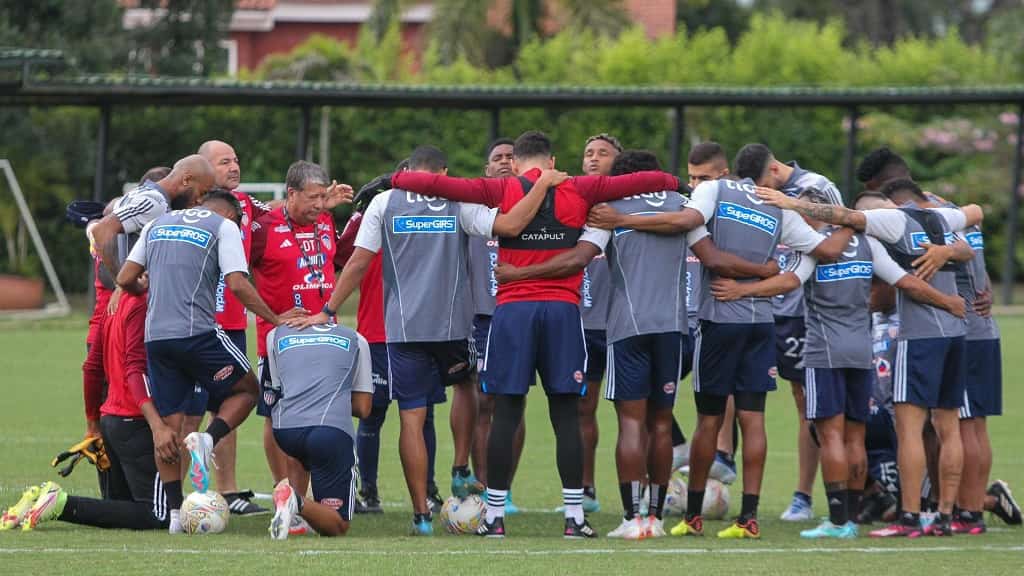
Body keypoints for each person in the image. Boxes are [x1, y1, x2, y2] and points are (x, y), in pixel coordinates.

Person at [348, 131, 684, 538]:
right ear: (553, 159)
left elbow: (438, 183)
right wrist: (675, 183)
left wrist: (392, 180)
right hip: (563, 312)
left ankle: (494, 517)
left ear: (517, 162)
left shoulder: (498, 188)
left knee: (506, 410)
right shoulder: (581, 187)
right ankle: (574, 518)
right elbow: (642, 180)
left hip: (512, 312)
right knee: (566, 415)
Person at [293, 145, 558, 535]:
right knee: (475, 394)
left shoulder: (384, 202)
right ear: (443, 171)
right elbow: (511, 226)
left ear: (410, 171)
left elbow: (359, 261)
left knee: (411, 418)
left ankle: (421, 516)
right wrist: (544, 185)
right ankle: (473, 484)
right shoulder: (458, 200)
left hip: (403, 330)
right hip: (453, 329)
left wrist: (329, 309)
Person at [587, 169, 855, 540]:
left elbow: (703, 245)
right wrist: (853, 221)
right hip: (762, 324)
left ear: (731, 173)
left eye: (699, 175)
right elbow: (814, 260)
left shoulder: (712, 196)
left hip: (716, 321)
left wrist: (621, 220)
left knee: (707, 421)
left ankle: (692, 516)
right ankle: (749, 517)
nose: (695, 182)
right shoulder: (780, 210)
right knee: (753, 419)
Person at [709, 187, 966, 539]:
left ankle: (838, 518)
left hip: (824, 351)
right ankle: (852, 517)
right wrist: (948, 302)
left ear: (813, 213)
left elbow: (786, 282)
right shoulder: (868, 245)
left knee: (830, 433)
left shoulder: (815, 248)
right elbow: (905, 282)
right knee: (855, 436)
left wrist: (742, 291)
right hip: (862, 350)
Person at [115, 189, 301, 534]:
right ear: (232, 215)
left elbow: (125, 278)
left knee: (170, 425)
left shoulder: (157, 223)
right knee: (248, 390)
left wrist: (149, 292)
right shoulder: (223, 226)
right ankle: (208, 438)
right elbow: (237, 283)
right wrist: (276, 319)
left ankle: (173, 514)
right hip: (199, 333)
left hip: (156, 338)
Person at [1, 280, 173, 531]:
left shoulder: (114, 302)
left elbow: (92, 369)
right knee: (160, 514)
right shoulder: (145, 302)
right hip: (136, 420)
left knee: (119, 508)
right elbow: (134, 368)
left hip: (110, 419)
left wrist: (93, 423)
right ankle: (61, 503)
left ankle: (37, 499)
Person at [734, 143, 846, 522]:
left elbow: (836, 229)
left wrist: (788, 203)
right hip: (763, 305)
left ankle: (805, 494)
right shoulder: (748, 191)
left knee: (806, 402)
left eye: (763, 187)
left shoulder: (817, 186)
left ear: (775, 172)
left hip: (800, 308)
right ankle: (721, 464)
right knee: (737, 387)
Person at [341, 160, 445, 515]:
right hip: (375, 332)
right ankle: (367, 490)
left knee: (423, 414)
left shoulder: (431, 220)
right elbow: (342, 257)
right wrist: (358, 214)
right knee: (372, 413)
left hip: (418, 331)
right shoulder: (374, 217)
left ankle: (428, 489)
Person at [249, 161, 349, 504]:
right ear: (290, 195)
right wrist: (272, 317)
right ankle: (284, 494)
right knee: (277, 418)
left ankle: (309, 500)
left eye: (324, 197)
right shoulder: (263, 229)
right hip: (281, 344)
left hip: (326, 340)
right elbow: (234, 276)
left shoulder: (324, 220)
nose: (320, 205)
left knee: (321, 418)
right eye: (312, 198)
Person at [194, 139, 271, 516]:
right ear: (204, 168)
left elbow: (275, 215)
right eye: (225, 162)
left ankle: (227, 491)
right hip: (195, 323)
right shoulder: (190, 204)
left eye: (236, 160)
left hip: (233, 324)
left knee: (229, 407)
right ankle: (185, 491)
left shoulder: (245, 205)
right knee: (189, 408)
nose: (234, 167)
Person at [265, 322, 374, 539]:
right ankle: (293, 500)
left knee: (301, 452)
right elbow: (363, 408)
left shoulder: (275, 335)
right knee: (338, 525)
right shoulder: (355, 338)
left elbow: (279, 390)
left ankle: (294, 519)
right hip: (329, 432)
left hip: (285, 431)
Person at [468, 139, 525, 514]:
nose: (504, 162)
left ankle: (505, 487)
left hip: (521, 313)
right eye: (497, 158)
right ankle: (483, 484)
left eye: (511, 157)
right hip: (483, 319)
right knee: (483, 401)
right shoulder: (471, 210)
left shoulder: (537, 206)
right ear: (487, 170)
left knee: (514, 404)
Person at [574, 133, 622, 513]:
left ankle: (640, 497)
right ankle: (585, 489)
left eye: (602, 153)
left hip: (626, 325)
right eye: (588, 153)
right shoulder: (572, 205)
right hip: (584, 324)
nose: (593, 159)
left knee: (635, 412)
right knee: (583, 408)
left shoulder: (630, 208)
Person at [90, 155, 216, 280]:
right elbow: (102, 230)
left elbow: (108, 214)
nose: (200, 201)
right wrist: (121, 282)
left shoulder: (140, 193)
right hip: (138, 296)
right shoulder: (155, 202)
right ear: (186, 180)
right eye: (202, 193)